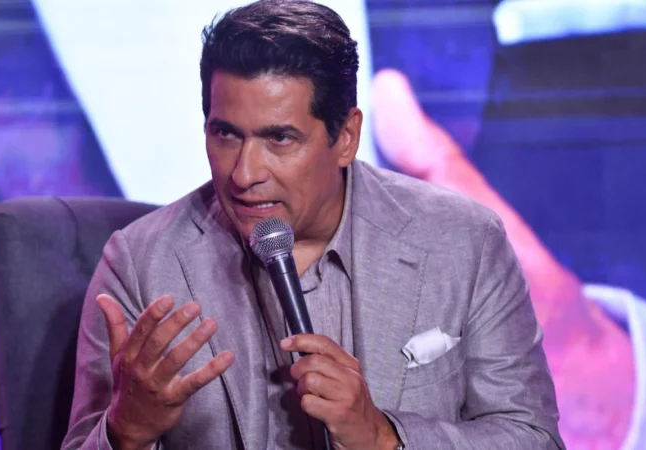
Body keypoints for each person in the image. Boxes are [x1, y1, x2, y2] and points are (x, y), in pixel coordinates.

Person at [60, 1, 563, 449]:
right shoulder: (141, 263)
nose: (244, 174)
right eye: (226, 135)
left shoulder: (464, 242)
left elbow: (532, 438)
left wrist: (384, 439)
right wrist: (125, 433)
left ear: (346, 138)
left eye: (279, 139)